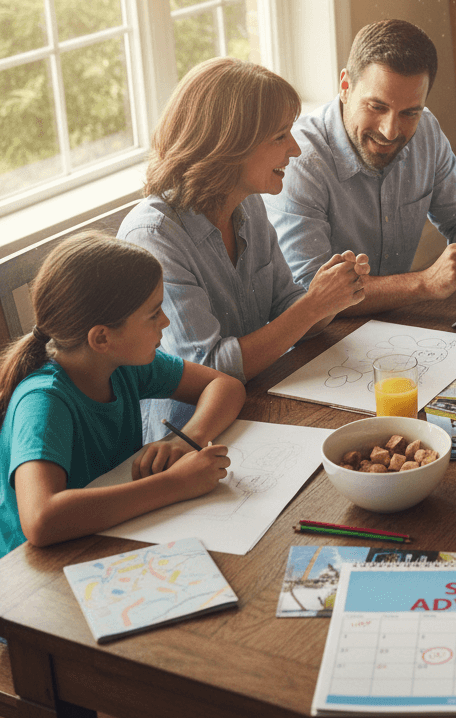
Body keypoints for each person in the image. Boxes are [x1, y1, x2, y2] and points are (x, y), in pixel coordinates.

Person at [119, 58, 368, 441]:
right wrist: (313, 306)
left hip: (257, 409)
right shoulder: (153, 236)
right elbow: (210, 368)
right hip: (187, 441)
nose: (296, 149)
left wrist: (333, 295)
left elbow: (289, 310)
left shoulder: (248, 205)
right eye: (280, 136)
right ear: (230, 146)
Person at [265, 19, 456, 313]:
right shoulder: (300, 161)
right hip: (319, 342)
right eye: (377, 107)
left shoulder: (425, 129)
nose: (390, 131)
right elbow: (311, 293)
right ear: (346, 86)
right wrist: (425, 283)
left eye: (409, 112)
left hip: (394, 320)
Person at [0, 232, 245, 560]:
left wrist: (188, 438)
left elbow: (226, 386)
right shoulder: (43, 403)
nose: (166, 321)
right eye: (153, 313)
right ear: (102, 337)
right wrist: (176, 484)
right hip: (42, 575)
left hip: (113, 538)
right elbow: (42, 519)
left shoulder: (123, 364)